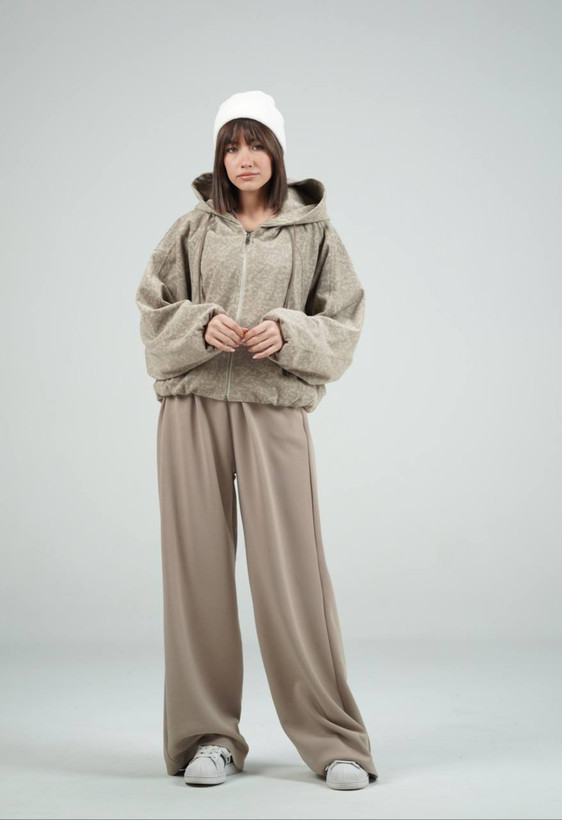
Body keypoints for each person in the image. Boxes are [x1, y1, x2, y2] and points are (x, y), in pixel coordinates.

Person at [135, 90, 379, 791]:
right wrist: (199, 324)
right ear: (220, 156)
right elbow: (152, 313)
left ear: (277, 152)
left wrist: (289, 331)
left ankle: (334, 741)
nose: (244, 159)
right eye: (232, 146)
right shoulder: (190, 229)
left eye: (257, 144)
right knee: (197, 574)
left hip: (274, 410)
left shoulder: (314, 234)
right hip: (192, 408)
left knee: (294, 575)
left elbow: (344, 321)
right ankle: (208, 737)